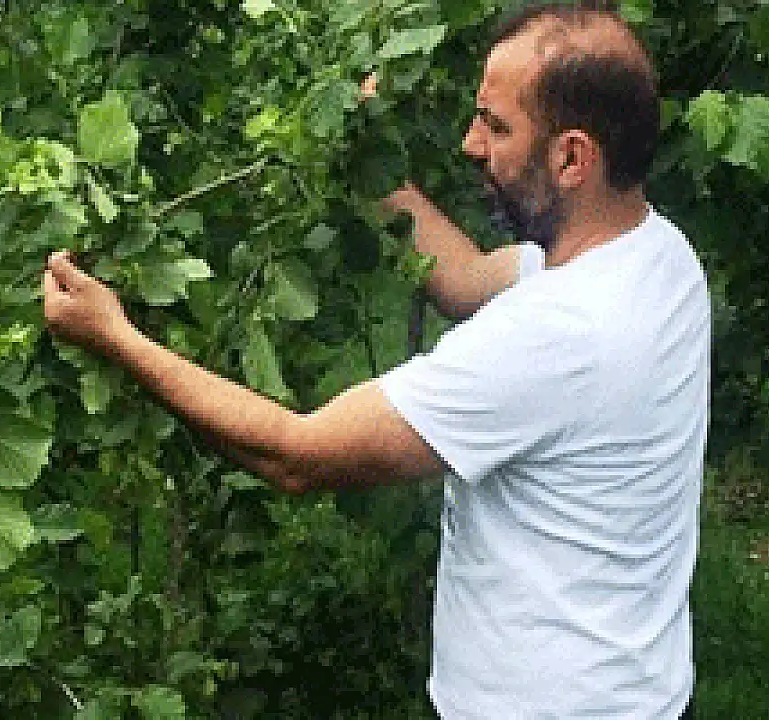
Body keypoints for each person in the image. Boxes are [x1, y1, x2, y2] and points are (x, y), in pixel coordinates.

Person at [41, 3, 709, 718]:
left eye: (497, 127)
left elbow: (297, 454)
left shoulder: (558, 335)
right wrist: (370, 159)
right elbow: (465, 278)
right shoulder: (655, 255)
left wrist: (115, 335)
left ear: (572, 158)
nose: (470, 144)